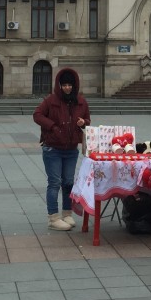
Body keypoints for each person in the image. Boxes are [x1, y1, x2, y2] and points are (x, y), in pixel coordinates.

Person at [32, 68, 90, 231]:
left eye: (69, 85)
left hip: (71, 149)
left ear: (74, 85)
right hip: (53, 149)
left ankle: (67, 213)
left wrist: (83, 122)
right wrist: (52, 126)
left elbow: (87, 120)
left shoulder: (81, 101)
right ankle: (53, 218)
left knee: (69, 182)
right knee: (54, 183)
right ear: (59, 85)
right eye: (64, 85)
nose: (67, 88)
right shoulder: (51, 100)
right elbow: (37, 115)